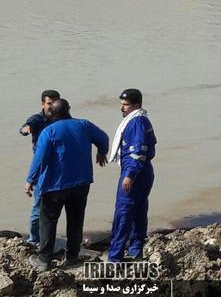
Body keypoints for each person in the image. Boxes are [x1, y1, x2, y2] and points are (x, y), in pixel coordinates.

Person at [24, 99, 109, 272]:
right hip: (81, 183)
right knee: (76, 221)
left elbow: (39, 158)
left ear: (51, 114)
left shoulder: (49, 131)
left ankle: (44, 259)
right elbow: (103, 137)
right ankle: (72, 257)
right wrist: (101, 151)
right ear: (69, 110)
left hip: (55, 186)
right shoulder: (84, 125)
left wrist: (30, 180)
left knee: (47, 222)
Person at [107, 89, 157, 262]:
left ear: (136, 105)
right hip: (144, 171)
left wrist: (129, 174)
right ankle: (136, 250)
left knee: (124, 213)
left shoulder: (136, 122)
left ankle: (115, 257)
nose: (122, 108)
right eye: (121, 105)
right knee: (138, 211)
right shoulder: (142, 120)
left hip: (135, 173)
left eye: (126, 105)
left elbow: (137, 151)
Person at [19, 89, 60, 247]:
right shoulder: (37, 119)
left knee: (55, 205)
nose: (52, 106)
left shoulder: (61, 118)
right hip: (41, 166)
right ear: (43, 103)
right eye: (49, 103)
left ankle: (48, 238)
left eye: (55, 103)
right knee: (38, 204)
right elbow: (27, 125)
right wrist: (26, 129)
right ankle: (33, 239)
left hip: (59, 165)